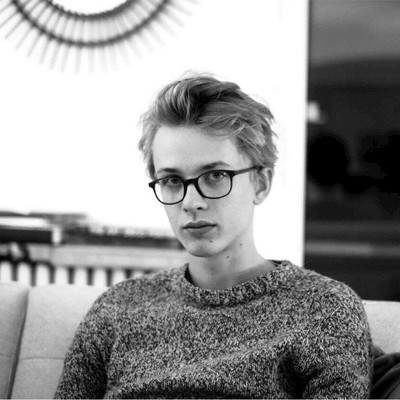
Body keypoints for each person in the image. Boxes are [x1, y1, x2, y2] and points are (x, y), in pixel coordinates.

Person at [55, 74, 373, 399]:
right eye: (172, 181)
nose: (191, 202)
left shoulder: (324, 311)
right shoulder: (116, 310)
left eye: (216, 175)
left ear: (261, 183)